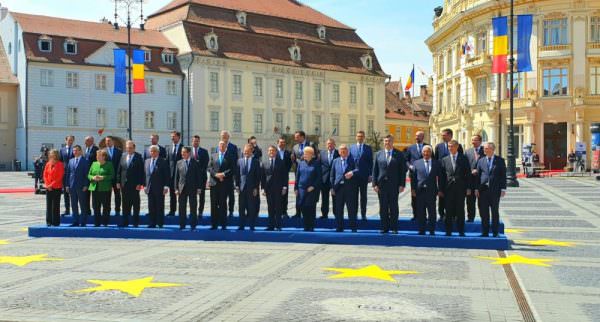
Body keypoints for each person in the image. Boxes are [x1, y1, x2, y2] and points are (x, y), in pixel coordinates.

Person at [372, 135, 407, 234]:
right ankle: (384, 227)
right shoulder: (378, 154)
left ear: (392, 142)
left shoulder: (399, 154)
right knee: (382, 207)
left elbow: (402, 171)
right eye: (385, 141)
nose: (387, 143)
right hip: (381, 185)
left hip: (394, 185)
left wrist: (402, 185)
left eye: (389, 141)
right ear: (383, 142)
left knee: (393, 207)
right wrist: (374, 184)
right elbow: (375, 170)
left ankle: (394, 228)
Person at [439, 140, 471, 236]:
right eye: (449, 146)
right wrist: (440, 189)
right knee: (448, 210)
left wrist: (468, 188)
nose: (450, 148)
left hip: (460, 189)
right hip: (448, 189)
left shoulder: (464, 158)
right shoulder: (444, 159)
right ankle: (448, 231)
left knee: (460, 210)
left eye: (452, 146)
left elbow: (468, 174)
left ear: (457, 147)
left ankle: (461, 231)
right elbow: (442, 176)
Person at [474, 142, 507, 237]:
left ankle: (495, 232)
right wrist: (476, 188)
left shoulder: (500, 160)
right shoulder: (481, 160)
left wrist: (503, 189)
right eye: (484, 148)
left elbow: (503, 176)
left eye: (487, 148)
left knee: (494, 212)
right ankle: (485, 232)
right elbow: (478, 176)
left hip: (495, 190)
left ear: (492, 149)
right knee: (483, 212)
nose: (485, 150)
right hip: (483, 190)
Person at [411, 145, 443, 235]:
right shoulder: (416, 163)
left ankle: (432, 230)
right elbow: (413, 178)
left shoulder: (436, 163)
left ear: (431, 153)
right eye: (424, 152)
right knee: (421, 212)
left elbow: (440, 177)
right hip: (419, 191)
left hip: (431, 191)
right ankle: (421, 230)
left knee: (432, 212)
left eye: (428, 151)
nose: (426, 153)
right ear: (422, 153)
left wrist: (440, 189)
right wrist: (413, 189)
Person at [434, 129, 463, 223]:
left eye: (444, 135)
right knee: (442, 196)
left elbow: (460, 159)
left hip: (454, 177)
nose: (442, 137)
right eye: (442, 135)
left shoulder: (459, 146)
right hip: (442, 175)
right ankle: (441, 214)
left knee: (454, 198)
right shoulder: (439, 146)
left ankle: (454, 215)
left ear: (450, 135)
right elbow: (436, 160)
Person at [330, 144, 359, 232]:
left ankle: (353, 227)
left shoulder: (353, 160)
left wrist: (352, 173)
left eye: (345, 150)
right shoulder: (335, 161)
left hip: (350, 188)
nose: (343, 151)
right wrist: (332, 188)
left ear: (348, 151)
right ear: (338, 152)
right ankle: (339, 227)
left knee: (351, 208)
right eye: (341, 150)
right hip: (338, 188)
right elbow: (332, 175)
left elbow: (358, 169)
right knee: (338, 208)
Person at [116, 140, 145, 228]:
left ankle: (136, 222)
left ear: (134, 148)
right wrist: (117, 181)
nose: (129, 149)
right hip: (124, 184)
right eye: (127, 148)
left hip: (135, 185)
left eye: (130, 148)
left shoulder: (138, 157)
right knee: (125, 204)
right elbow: (119, 170)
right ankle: (125, 222)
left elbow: (141, 171)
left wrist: (140, 183)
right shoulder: (123, 156)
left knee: (135, 204)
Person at [209, 141, 235, 230]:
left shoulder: (230, 156)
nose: (222, 146)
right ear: (218, 146)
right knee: (214, 205)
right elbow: (209, 168)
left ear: (226, 147)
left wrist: (223, 174)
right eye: (220, 145)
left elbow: (232, 169)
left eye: (224, 145)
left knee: (223, 204)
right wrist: (216, 175)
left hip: (224, 183)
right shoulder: (213, 155)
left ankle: (223, 224)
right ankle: (214, 224)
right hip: (214, 183)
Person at [175, 146, 202, 231]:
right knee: (182, 208)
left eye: (184, 152)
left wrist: (199, 187)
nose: (182, 153)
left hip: (192, 188)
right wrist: (176, 188)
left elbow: (199, 176)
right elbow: (176, 177)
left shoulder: (195, 162)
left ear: (189, 153)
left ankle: (193, 225)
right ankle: (182, 225)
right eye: (182, 152)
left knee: (193, 207)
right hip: (182, 188)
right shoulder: (179, 163)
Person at [295, 146, 321, 231]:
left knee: (311, 208)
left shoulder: (316, 163)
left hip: (312, 190)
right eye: (304, 153)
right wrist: (296, 188)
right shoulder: (301, 163)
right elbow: (297, 176)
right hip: (301, 189)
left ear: (311, 154)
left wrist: (313, 186)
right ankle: (306, 226)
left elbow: (319, 177)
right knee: (303, 207)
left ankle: (311, 226)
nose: (304, 154)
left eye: (306, 153)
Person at [262, 145, 288, 231]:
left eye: (273, 151)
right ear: (268, 152)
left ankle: (278, 225)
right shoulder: (264, 162)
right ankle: (271, 226)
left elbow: (285, 175)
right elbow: (262, 177)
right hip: (268, 189)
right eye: (270, 151)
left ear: (276, 152)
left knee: (278, 208)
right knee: (270, 208)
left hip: (278, 188)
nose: (271, 152)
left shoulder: (281, 162)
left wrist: (284, 187)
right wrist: (263, 188)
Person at [236, 144, 261, 231]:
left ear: (251, 152)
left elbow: (258, 177)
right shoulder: (239, 161)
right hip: (242, 189)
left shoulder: (256, 162)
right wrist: (237, 186)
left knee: (251, 208)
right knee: (241, 208)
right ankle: (241, 225)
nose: (246, 152)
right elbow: (237, 175)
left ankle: (251, 226)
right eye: (245, 151)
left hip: (251, 189)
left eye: (248, 151)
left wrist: (256, 188)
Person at [349, 130, 373, 221]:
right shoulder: (351, 148)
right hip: (354, 177)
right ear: (356, 137)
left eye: (362, 136)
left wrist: (370, 175)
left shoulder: (368, 148)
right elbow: (350, 162)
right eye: (358, 136)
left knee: (364, 197)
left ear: (364, 138)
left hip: (364, 176)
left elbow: (371, 162)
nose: (360, 138)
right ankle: (354, 214)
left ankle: (363, 214)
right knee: (354, 197)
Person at [144, 145, 170, 228]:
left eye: (154, 151)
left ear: (158, 152)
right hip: (149, 188)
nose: (152, 152)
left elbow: (167, 175)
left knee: (159, 206)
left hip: (160, 188)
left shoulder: (163, 161)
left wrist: (166, 186)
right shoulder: (147, 161)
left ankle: (160, 223)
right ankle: (152, 223)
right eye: (151, 151)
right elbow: (145, 175)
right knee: (151, 206)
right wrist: (145, 186)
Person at [405, 130, 429, 221]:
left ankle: (425, 215)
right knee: (414, 195)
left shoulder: (428, 147)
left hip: (425, 175)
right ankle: (415, 215)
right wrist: (409, 166)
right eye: (415, 135)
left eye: (418, 136)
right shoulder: (410, 148)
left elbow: (432, 159)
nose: (416, 137)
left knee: (425, 195)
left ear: (423, 137)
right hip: (414, 175)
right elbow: (406, 160)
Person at [88, 149, 114, 227]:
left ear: (103, 156)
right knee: (95, 206)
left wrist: (103, 177)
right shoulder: (94, 163)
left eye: (98, 155)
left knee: (106, 206)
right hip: (95, 188)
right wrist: (93, 177)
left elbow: (112, 175)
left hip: (105, 189)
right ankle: (97, 222)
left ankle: (105, 222)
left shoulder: (109, 164)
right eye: (97, 155)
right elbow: (89, 175)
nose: (97, 157)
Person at [65, 145, 90, 227]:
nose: (74, 152)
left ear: (80, 151)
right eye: (73, 151)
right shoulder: (71, 161)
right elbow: (68, 174)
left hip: (81, 186)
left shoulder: (85, 161)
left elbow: (87, 174)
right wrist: (67, 185)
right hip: (72, 186)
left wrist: (86, 185)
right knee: (74, 204)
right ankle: (75, 221)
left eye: (76, 150)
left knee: (82, 204)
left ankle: (83, 221)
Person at [464, 134, 484, 222]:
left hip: (481, 181)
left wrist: (478, 171)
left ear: (480, 141)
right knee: (470, 202)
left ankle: (484, 218)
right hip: (470, 181)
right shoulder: (468, 152)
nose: (473, 142)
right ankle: (470, 218)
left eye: (475, 140)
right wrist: (471, 171)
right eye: (472, 140)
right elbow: (464, 166)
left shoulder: (485, 151)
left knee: (482, 202)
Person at [220, 130, 239, 218]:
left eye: (225, 135)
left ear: (228, 137)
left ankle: (231, 211)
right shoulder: (218, 146)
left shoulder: (233, 147)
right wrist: (219, 174)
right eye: (222, 135)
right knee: (221, 195)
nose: (224, 137)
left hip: (230, 175)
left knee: (231, 194)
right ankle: (222, 211)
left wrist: (227, 173)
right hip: (220, 176)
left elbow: (235, 162)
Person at [43, 149, 64, 227]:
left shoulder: (60, 164)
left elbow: (59, 177)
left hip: (56, 187)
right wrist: (47, 185)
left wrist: (51, 185)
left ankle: (55, 222)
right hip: (48, 187)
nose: (51, 155)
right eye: (50, 154)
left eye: (53, 154)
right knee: (49, 205)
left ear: (56, 155)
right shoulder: (48, 164)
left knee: (55, 205)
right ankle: (49, 221)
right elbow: (45, 175)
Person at [319, 138, 339, 219]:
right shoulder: (322, 153)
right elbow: (319, 165)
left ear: (334, 145)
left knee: (336, 198)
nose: (329, 145)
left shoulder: (338, 153)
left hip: (335, 179)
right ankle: (324, 214)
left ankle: (336, 214)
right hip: (324, 180)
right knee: (324, 198)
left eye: (331, 143)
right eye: (328, 144)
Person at [190, 135, 210, 218]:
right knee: (192, 196)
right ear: (192, 141)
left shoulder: (204, 151)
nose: (195, 142)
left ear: (199, 141)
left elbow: (206, 164)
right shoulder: (188, 151)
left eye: (197, 141)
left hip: (201, 177)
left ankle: (200, 212)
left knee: (201, 196)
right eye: (194, 141)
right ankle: (192, 212)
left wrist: (199, 172)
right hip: (191, 178)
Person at [104, 136, 122, 217]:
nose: (108, 142)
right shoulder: (103, 151)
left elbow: (120, 165)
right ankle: (107, 211)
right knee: (107, 195)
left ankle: (117, 210)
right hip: (107, 178)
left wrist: (119, 178)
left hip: (116, 177)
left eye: (109, 141)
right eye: (106, 141)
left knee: (117, 195)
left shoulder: (119, 151)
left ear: (113, 142)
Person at [167, 131, 183, 216]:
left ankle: (181, 211)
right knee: (172, 194)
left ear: (178, 137)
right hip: (171, 175)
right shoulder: (169, 148)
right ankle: (172, 210)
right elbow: (167, 162)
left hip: (180, 175)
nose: (172, 138)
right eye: (171, 136)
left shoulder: (183, 147)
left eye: (173, 136)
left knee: (181, 194)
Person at [59, 135, 75, 216]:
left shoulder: (75, 149)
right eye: (69, 140)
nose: (70, 141)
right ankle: (67, 209)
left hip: (73, 173)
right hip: (65, 174)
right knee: (66, 193)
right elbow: (60, 161)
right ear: (66, 141)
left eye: (71, 140)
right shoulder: (62, 150)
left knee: (73, 193)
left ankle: (74, 210)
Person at [277, 137, 293, 217]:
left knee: (284, 195)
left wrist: (285, 171)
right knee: (276, 195)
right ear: (278, 143)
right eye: (281, 142)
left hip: (285, 177)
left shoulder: (288, 153)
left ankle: (284, 211)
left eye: (283, 142)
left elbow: (290, 164)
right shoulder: (274, 152)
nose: (282, 144)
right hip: (275, 177)